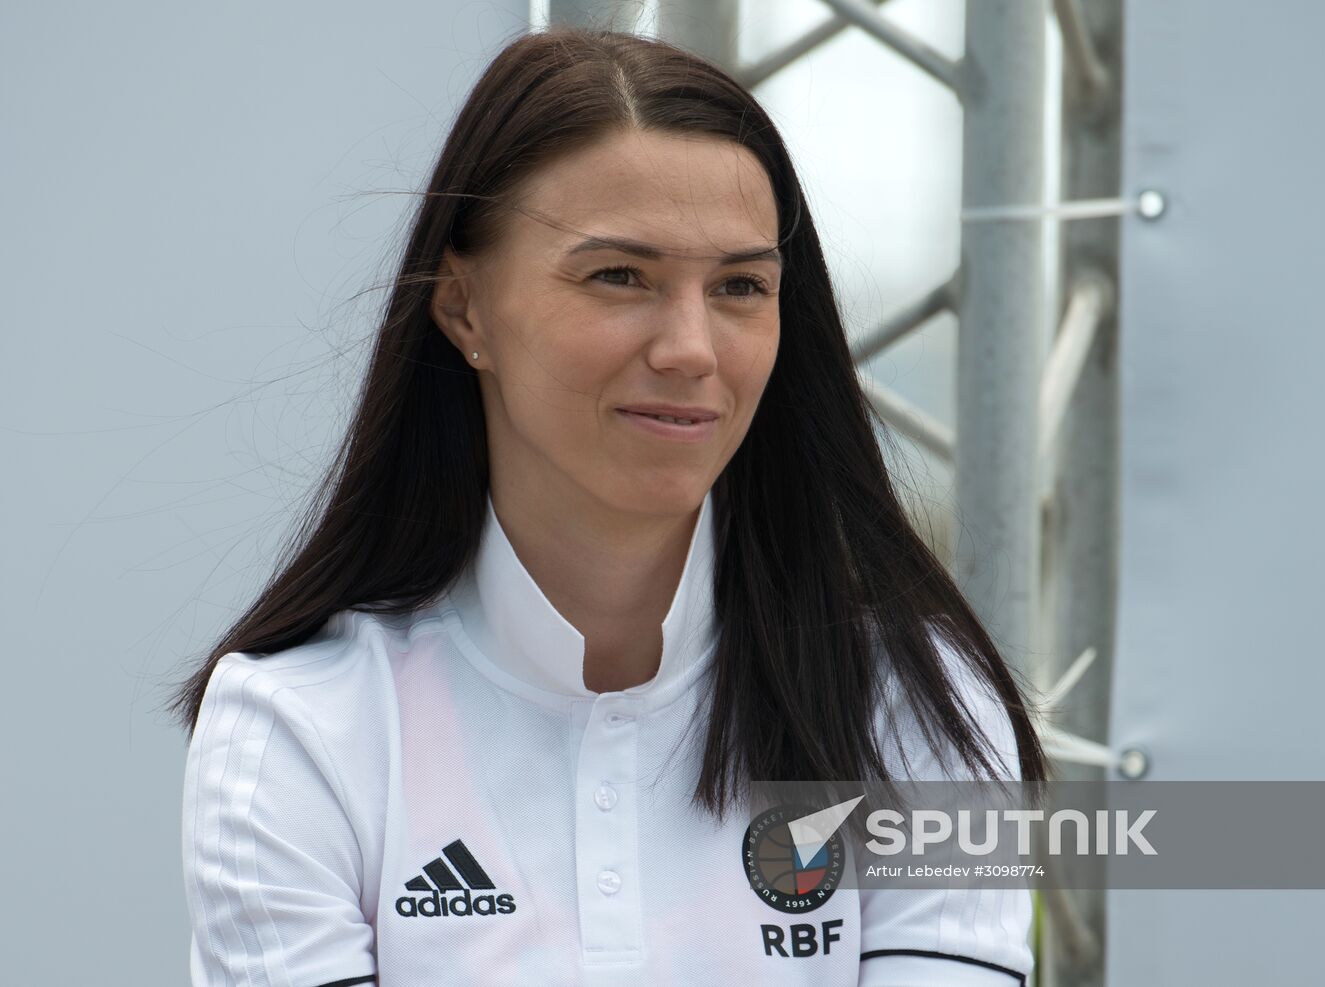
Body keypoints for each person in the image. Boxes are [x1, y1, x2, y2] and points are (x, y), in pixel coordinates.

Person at [167, 24, 1048, 987]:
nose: (691, 348)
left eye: (741, 286)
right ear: (464, 307)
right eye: (619, 276)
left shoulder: (919, 701)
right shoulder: (295, 726)